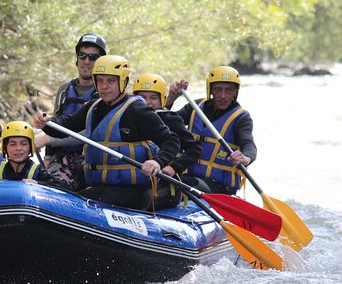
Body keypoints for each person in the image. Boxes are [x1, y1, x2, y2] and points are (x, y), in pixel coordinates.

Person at [33, 55, 180, 210]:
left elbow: (171, 140)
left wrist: (157, 161)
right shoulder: (93, 107)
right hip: (100, 186)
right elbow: (66, 126)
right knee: (70, 193)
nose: (104, 86)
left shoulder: (137, 111)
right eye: (100, 80)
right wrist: (47, 123)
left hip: (132, 192)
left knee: (80, 202)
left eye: (110, 80)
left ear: (123, 81)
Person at [164, 66, 256, 195]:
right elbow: (164, 125)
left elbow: (249, 144)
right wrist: (170, 100)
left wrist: (245, 158)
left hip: (219, 187)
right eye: (218, 89)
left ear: (236, 92)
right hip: (187, 176)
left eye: (229, 90)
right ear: (210, 89)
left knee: (182, 184)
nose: (223, 95)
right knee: (163, 182)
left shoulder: (241, 118)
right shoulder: (195, 107)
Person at [34, 33, 106, 191]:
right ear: (77, 58)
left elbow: (91, 133)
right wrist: (48, 157)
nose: (86, 61)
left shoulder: (105, 93)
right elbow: (56, 125)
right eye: (83, 55)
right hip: (61, 159)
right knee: (45, 184)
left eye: (93, 57)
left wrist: (47, 140)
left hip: (90, 160)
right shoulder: (64, 90)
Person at [134, 73, 202, 209]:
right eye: (143, 97)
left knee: (139, 200)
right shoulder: (131, 119)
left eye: (153, 98)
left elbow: (195, 150)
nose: (147, 102)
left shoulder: (170, 119)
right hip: (138, 182)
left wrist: (173, 167)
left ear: (162, 99)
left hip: (167, 186)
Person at [0, 121, 65, 187]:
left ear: (30, 147)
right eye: (13, 144)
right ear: (5, 148)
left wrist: (38, 183)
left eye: (23, 144)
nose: (18, 148)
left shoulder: (38, 172)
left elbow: (60, 186)